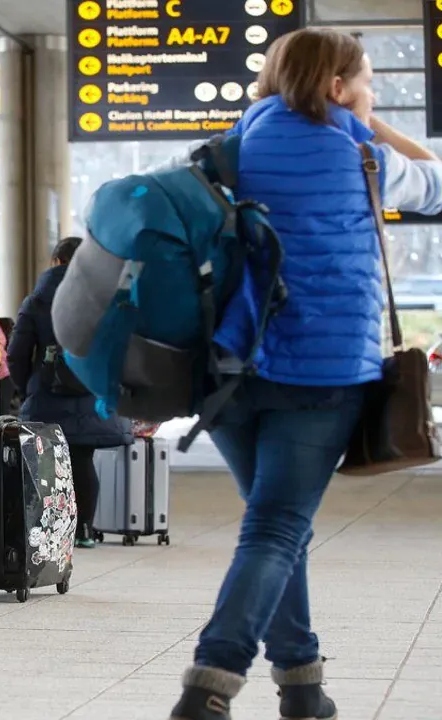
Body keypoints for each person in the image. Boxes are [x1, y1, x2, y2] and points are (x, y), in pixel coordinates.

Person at [162, 29, 442, 720]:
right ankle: (209, 684)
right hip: (320, 373)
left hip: (225, 371)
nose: (373, 92)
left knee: (275, 524)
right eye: (368, 81)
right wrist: (369, 120)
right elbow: (435, 179)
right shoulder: (362, 153)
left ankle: (303, 687)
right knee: (277, 529)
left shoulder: (228, 151)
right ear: (338, 87)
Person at [7, 237, 131, 551]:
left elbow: (16, 355)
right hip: (93, 394)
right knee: (83, 460)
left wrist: (28, 389)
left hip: (48, 397)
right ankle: (85, 529)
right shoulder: (108, 299)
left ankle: (53, 530)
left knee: (49, 465)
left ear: (57, 261)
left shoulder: (36, 301)